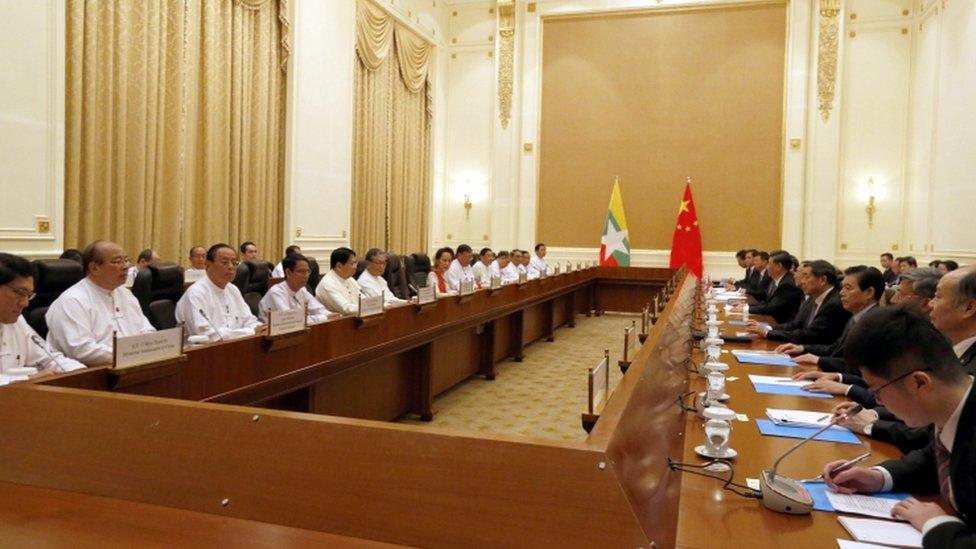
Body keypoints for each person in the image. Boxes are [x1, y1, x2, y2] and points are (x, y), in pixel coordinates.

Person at [821, 305, 976, 548]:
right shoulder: (952, 406)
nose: (879, 402)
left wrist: (936, 525)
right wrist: (878, 477)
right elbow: (933, 459)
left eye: (878, 391)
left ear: (919, 383)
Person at [46, 241, 155, 365]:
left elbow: (146, 329)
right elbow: (81, 350)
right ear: (94, 268)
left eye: (126, 260)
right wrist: (129, 355)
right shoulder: (72, 300)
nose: (125, 267)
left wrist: (150, 349)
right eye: (117, 262)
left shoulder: (125, 294)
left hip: (131, 365)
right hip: (90, 374)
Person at [776, 265, 883, 374]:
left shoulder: (877, 324)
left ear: (869, 292)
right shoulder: (856, 316)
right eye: (842, 287)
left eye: (848, 288)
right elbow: (835, 348)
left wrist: (819, 360)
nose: (841, 293)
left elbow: (860, 368)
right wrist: (802, 348)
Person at [0, 253, 84, 378]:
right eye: (20, 293)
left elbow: (49, 360)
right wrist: (24, 379)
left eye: (29, 295)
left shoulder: (17, 321)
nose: (25, 303)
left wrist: (81, 373)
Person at [176, 243, 265, 342]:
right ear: (207, 265)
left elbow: (249, 320)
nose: (231, 267)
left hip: (236, 345)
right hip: (203, 352)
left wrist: (262, 328)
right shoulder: (196, 293)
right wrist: (251, 332)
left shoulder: (233, 289)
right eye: (225, 262)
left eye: (234, 262)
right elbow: (208, 336)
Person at [749, 259, 850, 344]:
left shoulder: (834, 304)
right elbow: (795, 325)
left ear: (822, 280)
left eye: (806, 277)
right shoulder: (812, 299)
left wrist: (767, 333)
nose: (802, 281)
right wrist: (767, 327)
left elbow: (810, 335)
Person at [259, 253, 331, 324]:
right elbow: (292, 320)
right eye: (301, 271)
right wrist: (324, 317)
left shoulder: (302, 290)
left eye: (308, 271)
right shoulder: (276, 292)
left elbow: (319, 309)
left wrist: (329, 315)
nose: (306, 275)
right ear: (288, 272)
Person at [735, 251, 802, 323]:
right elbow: (766, 301)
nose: (767, 267)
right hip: (772, 319)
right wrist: (746, 305)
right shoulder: (776, 280)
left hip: (781, 324)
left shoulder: (787, 284)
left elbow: (772, 307)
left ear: (779, 266)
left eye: (769, 264)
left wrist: (746, 309)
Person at [315, 247, 362, 315]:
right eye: (352, 264)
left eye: (355, 263)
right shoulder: (328, 283)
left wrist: (371, 306)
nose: (355, 267)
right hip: (337, 323)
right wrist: (368, 308)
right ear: (339, 266)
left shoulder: (349, 279)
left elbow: (363, 299)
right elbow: (346, 309)